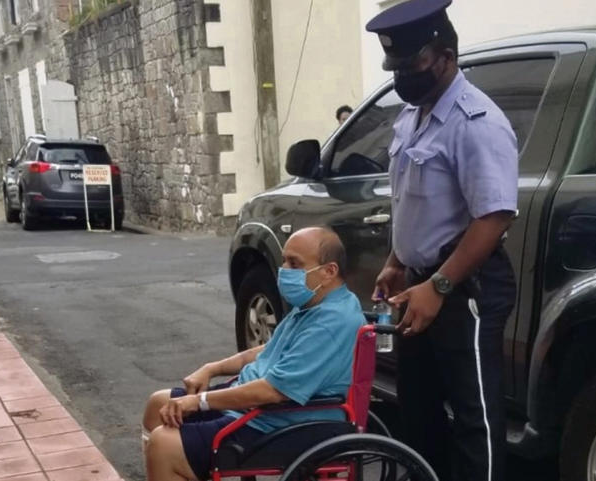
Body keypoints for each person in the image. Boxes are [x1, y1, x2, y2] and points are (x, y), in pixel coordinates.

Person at [366, 1, 519, 481]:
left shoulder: (476, 122)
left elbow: (493, 216)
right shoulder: (413, 116)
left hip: (465, 286)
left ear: (446, 56)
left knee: (475, 420)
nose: (402, 77)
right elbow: (414, 202)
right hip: (420, 286)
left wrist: (440, 286)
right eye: (396, 67)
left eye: (412, 65)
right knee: (419, 413)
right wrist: (397, 262)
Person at [141, 226, 365, 481]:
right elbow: (269, 350)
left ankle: (174, 466)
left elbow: (273, 391)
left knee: (164, 446)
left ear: (329, 271)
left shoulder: (330, 323)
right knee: (158, 404)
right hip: (258, 409)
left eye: (294, 263)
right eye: (284, 261)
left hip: (283, 421)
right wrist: (212, 368)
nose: (284, 270)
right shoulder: (315, 305)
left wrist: (199, 401)